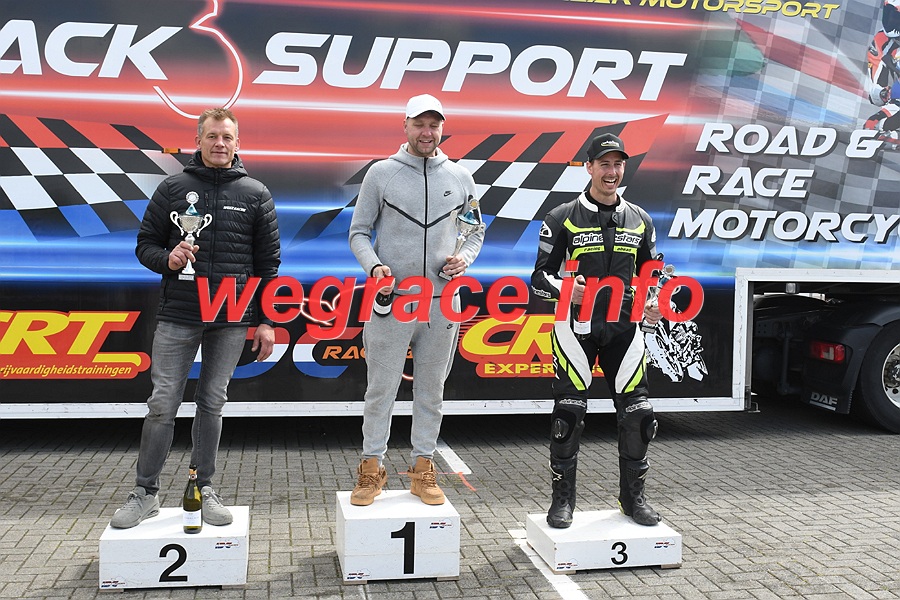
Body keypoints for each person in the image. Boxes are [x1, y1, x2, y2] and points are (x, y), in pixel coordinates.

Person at [110, 107, 281, 529]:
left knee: (212, 403)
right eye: (212, 136)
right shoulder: (172, 188)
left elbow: (268, 265)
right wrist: (167, 259)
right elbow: (145, 245)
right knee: (162, 404)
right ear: (198, 141)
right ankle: (145, 493)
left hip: (231, 316)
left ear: (237, 143)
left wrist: (264, 320)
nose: (220, 144)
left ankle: (202, 488)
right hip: (179, 313)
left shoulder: (256, 193)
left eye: (227, 137)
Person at [347, 94, 483, 506]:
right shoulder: (381, 173)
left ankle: (423, 469)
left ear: (442, 128)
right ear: (405, 126)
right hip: (393, 301)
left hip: (442, 304)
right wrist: (375, 267)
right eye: (419, 124)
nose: (427, 132)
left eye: (434, 125)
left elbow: (475, 231)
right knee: (380, 390)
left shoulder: (460, 177)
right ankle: (371, 469)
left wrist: (464, 259)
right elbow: (358, 232)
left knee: (431, 392)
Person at [531, 133, 663, 528]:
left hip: (625, 328)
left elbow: (651, 274)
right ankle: (563, 502)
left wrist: (653, 301)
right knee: (568, 414)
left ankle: (633, 500)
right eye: (604, 163)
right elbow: (538, 278)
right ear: (588, 167)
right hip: (576, 329)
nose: (612, 171)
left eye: (618, 164)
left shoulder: (641, 219)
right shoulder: (562, 216)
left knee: (639, 415)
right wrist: (566, 291)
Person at [864, 0, 900, 140]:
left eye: (896, 17)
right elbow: (876, 94)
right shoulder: (881, 39)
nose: (891, 20)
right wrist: (882, 92)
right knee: (873, 125)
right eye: (889, 14)